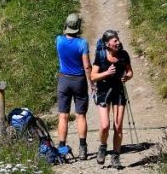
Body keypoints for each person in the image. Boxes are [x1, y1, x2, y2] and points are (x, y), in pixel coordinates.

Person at [90, 30, 133, 169]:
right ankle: (102, 147)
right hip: (103, 92)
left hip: (118, 92)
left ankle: (116, 156)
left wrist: (126, 77)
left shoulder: (124, 55)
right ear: (107, 44)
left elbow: (130, 71)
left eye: (118, 40)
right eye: (115, 41)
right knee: (104, 125)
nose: (118, 42)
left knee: (118, 126)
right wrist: (107, 73)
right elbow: (93, 76)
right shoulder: (101, 55)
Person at [56, 13, 92, 160]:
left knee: (63, 116)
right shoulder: (82, 43)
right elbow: (87, 66)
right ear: (78, 27)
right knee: (80, 116)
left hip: (64, 80)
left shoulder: (58, 40)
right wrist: (92, 83)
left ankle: (62, 150)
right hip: (79, 81)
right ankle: (82, 149)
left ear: (66, 26)